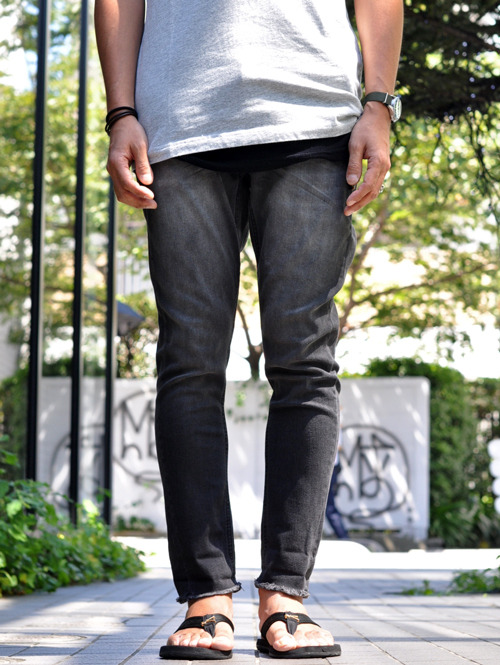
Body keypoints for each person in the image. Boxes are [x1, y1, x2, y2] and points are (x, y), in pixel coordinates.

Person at [95, 0, 403, 659]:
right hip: (181, 122)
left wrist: (379, 103)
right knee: (189, 363)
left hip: (314, 118)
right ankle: (206, 596)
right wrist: (120, 113)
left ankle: (285, 593)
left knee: (306, 360)